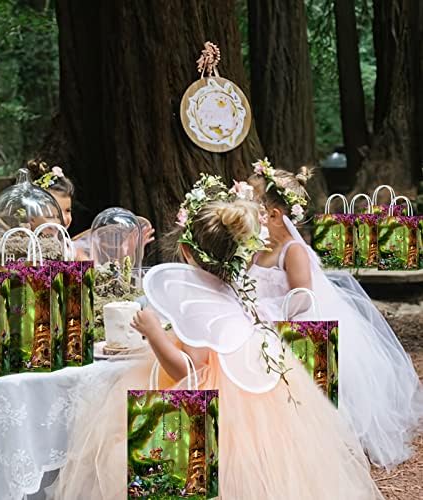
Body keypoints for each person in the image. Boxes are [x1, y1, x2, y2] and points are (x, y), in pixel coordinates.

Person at [47, 174, 382, 499]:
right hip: (255, 401)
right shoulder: (233, 290)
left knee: (193, 465)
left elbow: (187, 370)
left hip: (210, 400)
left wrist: (154, 334)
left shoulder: (199, 304)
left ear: (187, 252)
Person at [247, 158, 423, 469]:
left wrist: (267, 312)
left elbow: (302, 296)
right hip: (259, 322)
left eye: (253, 209)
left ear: (274, 215)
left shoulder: (293, 251)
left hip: (290, 325)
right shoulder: (257, 249)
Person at [26, 160, 155, 261]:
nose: (64, 219)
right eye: (51, 214)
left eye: (67, 211)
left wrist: (125, 255)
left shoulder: (72, 250)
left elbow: (97, 280)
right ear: (31, 217)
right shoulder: (21, 249)